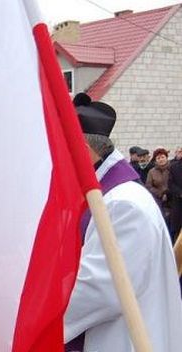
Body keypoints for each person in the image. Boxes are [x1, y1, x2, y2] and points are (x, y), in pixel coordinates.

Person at [64, 93, 182, 351]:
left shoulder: (122, 205)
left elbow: (99, 290)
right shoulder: (114, 196)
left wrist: (25, 315)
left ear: (83, 150)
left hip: (123, 341)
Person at [146, 148, 171, 223]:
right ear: (155, 160)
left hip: (172, 199)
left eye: (162, 157)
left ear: (166, 158)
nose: (161, 159)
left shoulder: (172, 168)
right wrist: (160, 194)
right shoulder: (152, 171)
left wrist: (167, 193)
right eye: (158, 158)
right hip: (158, 200)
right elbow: (148, 186)